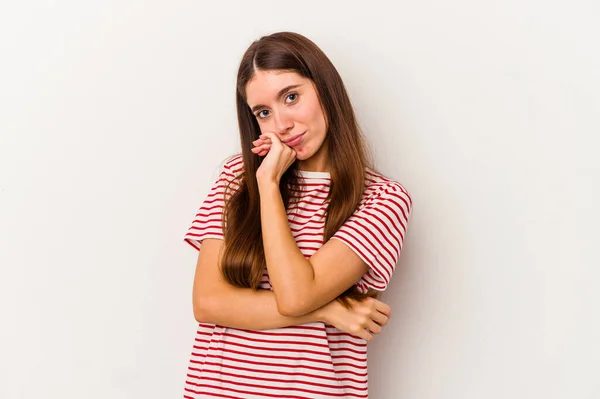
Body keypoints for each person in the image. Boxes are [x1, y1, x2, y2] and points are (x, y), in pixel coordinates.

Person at [182, 31, 413, 399]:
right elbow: (208, 302)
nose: (282, 124)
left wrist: (269, 185)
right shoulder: (236, 180)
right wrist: (330, 310)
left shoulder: (382, 200)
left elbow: (295, 295)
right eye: (264, 112)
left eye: (291, 97)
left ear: (325, 89)